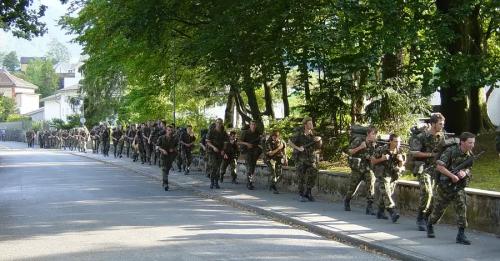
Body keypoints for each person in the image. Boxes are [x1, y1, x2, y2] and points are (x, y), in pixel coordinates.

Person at [427, 132, 476, 245]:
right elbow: (439, 167)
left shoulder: (469, 154)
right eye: (470, 143)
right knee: (438, 211)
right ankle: (430, 224)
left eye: (473, 143)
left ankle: (461, 234)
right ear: (462, 142)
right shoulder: (450, 151)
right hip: (445, 186)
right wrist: (452, 176)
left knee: (462, 208)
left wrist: (464, 172)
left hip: (458, 186)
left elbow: (469, 167)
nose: (472, 145)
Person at [409, 113, 446, 231]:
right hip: (423, 168)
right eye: (440, 124)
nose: (442, 126)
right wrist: (431, 154)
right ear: (433, 124)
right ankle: (420, 217)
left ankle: (426, 217)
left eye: (443, 124)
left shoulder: (442, 136)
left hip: (436, 169)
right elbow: (414, 152)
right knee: (427, 192)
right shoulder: (421, 136)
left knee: (435, 195)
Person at [371, 133, 405, 223]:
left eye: (399, 141)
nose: (398, 143)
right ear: (390, 141)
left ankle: (380, 211)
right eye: (395, 141)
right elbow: (372, 161)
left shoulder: (400, 151)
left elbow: (401, 165)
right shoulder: (381, 149)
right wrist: (382, 159)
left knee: (388, 193)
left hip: (393, 175)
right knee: (386, 191)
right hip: (382, 173)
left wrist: (401, 160)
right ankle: (392, 211)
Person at [344, 125, 377, 214]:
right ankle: (347, 201)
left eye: (375, 134)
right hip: (358, 168)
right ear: (368, 134)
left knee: (371, 186)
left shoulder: (375, 144)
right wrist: (360, 147)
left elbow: (375, 156)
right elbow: (349, 151)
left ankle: (369, 206)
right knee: (352, 188)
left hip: (368, 168)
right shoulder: (358, 140)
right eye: (373, 134)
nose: (374, 136)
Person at [289, 117, 322, 202]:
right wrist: (298, 148)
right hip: (300, 158)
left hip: (310, 158)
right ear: (305, 125)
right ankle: (301, 194)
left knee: (313, 173)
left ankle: (308, 192)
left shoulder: (313, 133)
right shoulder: (299, 133)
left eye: (312, 123)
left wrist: (319, 140)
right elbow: (289, 142)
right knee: (301, 176)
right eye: (310, 124)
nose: (312, 125)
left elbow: (319, 146)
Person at [239, 120, 263, 190]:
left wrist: (262, 139)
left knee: (252, 167)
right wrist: (247, 144)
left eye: (254, 124)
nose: (253, 126)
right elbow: (239, 142)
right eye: (252, 124)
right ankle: (249, 183)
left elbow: (259, 142)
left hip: (254, 152)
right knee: (250, 166)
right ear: (250, 125)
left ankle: (250, 182)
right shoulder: (245, 132)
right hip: (246, 151)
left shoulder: (257, 133)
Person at [206, 118, 228, 189]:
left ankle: (216, 182)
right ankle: (212, 182)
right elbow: (208, 142)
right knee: (214, 166)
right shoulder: (211, 131)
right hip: (212, 152)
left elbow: (225, 142)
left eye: (220, 123)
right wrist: (213, 147)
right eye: (218, 122)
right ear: (216, 123)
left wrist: (223, 150)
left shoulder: (223, 132)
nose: (219, 124)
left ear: (222, 124)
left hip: (220, 152)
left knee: (218, 167)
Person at [264, 129, 287, 194]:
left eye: (276, 136)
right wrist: (278, 148)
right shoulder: (268, 142)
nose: (275, 137)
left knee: (279, 174)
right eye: (273, 136)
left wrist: (285, 158)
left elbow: (284, 149)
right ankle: (274, 188)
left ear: (278, 136)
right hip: (270, 159)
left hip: (278, 159)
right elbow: (270, 153)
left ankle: (272, 185)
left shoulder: (281, 141)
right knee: (273, 173)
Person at [157, 125, 178, 191]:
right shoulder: (161, 138)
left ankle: (164, 182)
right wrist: (163, 150)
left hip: (171, 156)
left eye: (171, 130)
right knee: (164, 169)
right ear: (166, 130)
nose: (170, 131)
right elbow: (157, 146)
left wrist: (173, 149)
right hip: (163, 155)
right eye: (169, 130)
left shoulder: (174, 138)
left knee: (167, 170)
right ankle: (166, 184)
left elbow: (178, 146)